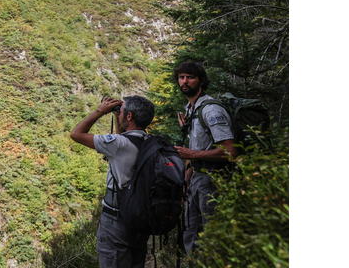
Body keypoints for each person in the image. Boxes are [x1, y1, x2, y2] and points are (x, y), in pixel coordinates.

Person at [70, 95, 156, 268]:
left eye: (121, 111)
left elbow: (76, 134)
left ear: (129, 116)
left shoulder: (118, 144)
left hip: (116, 221)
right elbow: (124, 140)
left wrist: (100, 111)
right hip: (140, 220)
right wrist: (118, 117)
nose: (119, 113)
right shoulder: (150, 143)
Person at [171, 62, 237, 255]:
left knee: (213, 237)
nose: (184, 81)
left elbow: (230, 151)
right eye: (181, 77)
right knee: (191, 235)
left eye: (190, 77)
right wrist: (186, 181)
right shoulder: (191, 109)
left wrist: (192, 154)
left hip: (213, 179)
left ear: (201, 80)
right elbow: (195, 147)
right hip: (196, 180)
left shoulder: (211, 110)